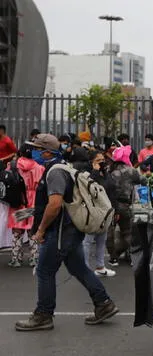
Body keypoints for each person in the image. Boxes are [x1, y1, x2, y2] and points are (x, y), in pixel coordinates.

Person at [15, 134, 118, 331]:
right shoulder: (63, 167)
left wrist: (41, 230)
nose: (33, 152)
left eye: (36, 148)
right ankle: (104, 303)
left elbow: (54, 205)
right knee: (78, 268)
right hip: (69, 230)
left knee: (45, 270)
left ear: (46, 151)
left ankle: (43, 314)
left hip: (60, 231)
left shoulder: (54, 172)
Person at [107, 145, 147, 266]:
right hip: (125, 205)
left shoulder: (109, 171)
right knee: (128, 231)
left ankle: (113, 257)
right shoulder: (131, 171)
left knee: (109, 233)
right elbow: (143, 181)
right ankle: (132, 257)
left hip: (110, 205)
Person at [7, 144, 44, 268]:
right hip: (32, 200)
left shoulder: (13, 165)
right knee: (32, 231)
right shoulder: (39, 168)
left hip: (18, 200)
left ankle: (15, 258)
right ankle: (34, 258)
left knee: (17, 231)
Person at [83, 151, 117, 277]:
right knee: (88, 240)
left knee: (102, 240)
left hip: (106, 211)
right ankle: (85, 268)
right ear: (91, 162)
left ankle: (100, 266)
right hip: (93, 211)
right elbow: (89, 187)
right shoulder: (88, 174)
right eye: (98, 160)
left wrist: (115, 209)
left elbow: (112, 190)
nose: (101, 162)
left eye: (103, 160)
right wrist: (95, 171)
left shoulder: (107, 174)